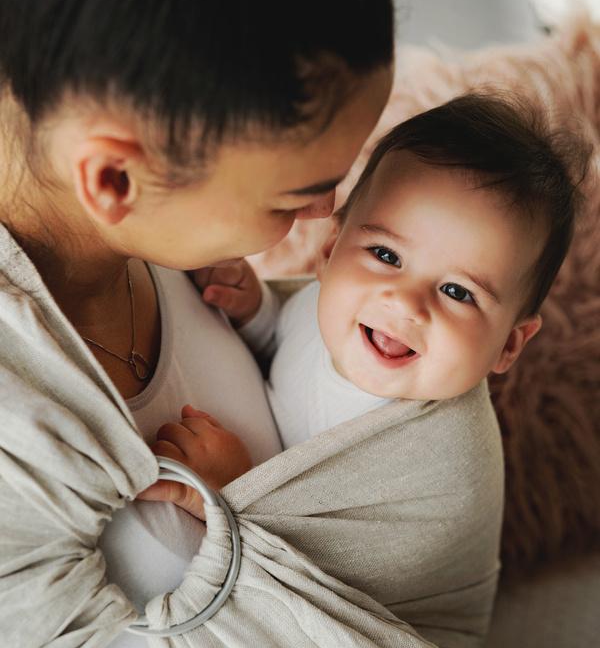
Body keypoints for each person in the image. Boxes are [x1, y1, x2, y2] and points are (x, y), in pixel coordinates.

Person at [0, 0, 395, 648]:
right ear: (112, 179)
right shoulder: (22, 429)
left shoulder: (174, 244)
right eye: (295, 197)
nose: (330, 218)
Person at [145, 94, 586, 518]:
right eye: (386, 255)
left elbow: (329, 573)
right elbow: (291, 344)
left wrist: (234, 493)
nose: (405, 302)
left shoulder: (439, 467)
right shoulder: (332, 309)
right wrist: (256, 313)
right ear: (329, 251)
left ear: (509, 344)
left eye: (457, 291)